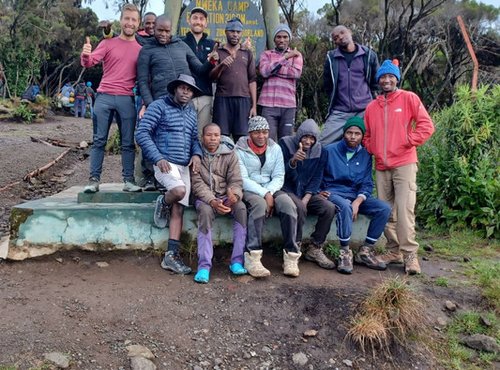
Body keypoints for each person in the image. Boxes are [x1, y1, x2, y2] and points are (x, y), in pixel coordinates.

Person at [364, 60, 435, 275]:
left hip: (404, 162)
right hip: (382, 166)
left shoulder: (408, 98)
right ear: (378, 80)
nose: (386, 80)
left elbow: (426, 126)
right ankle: (394, 251)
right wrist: (373, 147)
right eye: (383, 77)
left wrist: (407, 139)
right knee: (386, 211)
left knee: (404, 210)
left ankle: (411, 255)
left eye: (390, 77)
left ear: (396, 79)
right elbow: (367, 135)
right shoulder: (372, 106)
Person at [135, 74, 203, 275]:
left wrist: (197, 154)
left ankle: (170, 256)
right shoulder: (159, 106)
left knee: (179, 209)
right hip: (165, 163)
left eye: (189, 90)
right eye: (182, 88)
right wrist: (157, 157)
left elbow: (194, 138)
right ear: (175, 89)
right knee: (179, 191)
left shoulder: (191, 112)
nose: (185, 92)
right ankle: (162, 203)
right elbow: (142, 132)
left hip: (184, 165)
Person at [80, 4, 142, 193]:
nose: (129, 23)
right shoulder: (108, 43)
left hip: (127, 99)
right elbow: (90, 63)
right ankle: (93, 180)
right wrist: (86, 53)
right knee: (99, 140)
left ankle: (129, 181)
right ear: (121, 20)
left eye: (133, 20)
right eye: (126, 19)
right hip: (104, 97)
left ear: (138, 24)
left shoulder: (141, 49)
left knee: (128, 143)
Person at [322, 117, 391, 274]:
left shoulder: (365, 155)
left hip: (355, 194)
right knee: (345, 206)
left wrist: (358, 201)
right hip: (333, 191)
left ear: (362, 136)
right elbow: (319, 175)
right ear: (344, 133)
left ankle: (365, 251)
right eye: (349, 133)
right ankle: (345, 252)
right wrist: (319, 191)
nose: (353, 137)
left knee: (384, 208)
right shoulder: (329, 151)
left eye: (357, 133)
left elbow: (367, 183)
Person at [236, 116, 301, 278]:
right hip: (250, 189)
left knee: (288, 205)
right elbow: (243, 179)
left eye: (265, 132)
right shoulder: (239, 150)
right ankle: (253, 256)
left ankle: (291, 256)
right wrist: (264, 194)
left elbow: (279, 175)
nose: (261, 136)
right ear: (250, 133)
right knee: (259, 206)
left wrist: (269, 192)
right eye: (257, 132)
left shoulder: (275, 148)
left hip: (272, 187)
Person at [191, 123, 248, 283]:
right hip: (205, 199)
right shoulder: (196, 155)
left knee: (241, 209)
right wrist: (213, 201)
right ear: (203, 137)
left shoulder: (230, 153)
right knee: (205, 212)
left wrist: (234, 194)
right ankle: (204, 266)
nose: (213, 138)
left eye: (216, 135)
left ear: (220, 136)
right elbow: (197, 184)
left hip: (225, 196)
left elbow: (236, 179)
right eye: (209, 135)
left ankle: (236, 261)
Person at [279, 119, 336, 269]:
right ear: (299, 135)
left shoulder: (321, 151)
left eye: (312, 138)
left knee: (329, 208)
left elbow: (318, 177)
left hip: (307, 192)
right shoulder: (285, 144)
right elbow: (279, 173)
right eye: (305, 137)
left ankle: (315, 247)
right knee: (299, 207)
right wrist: (293, 161)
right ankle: (294, 247)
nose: (308, 141)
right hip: (287, 189)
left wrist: (307, 196)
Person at [319, 25, 379, 145]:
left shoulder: (368, 55)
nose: (340, 37)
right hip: (340, 111)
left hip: (365, 109)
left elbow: (376, 81)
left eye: (342, 33)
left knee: (372, 143)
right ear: (335, 42)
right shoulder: (332, 58)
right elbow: (327, 85)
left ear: (350, 32)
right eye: (336, 37)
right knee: (322, 144)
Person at [210, 18, 257, 143]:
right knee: (222, 138)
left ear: (241, 33)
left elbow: (252, 79)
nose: (235, 34)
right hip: (222, 100)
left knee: (242, 139)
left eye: (238, 31)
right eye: (232, 31)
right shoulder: (218, 52)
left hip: (243, 100)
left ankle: (239, 163)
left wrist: (254, 105)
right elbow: (212, 77)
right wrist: (221, 65)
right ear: (225, 32)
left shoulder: (247, 53)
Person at [258, 24, 303, 141]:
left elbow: (296, 73)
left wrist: (274, 69)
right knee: (268, 140)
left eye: (285, 37)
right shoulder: (266, 54)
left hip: (288, 105)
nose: (281, 40)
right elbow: (264, 72)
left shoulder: (296, 55)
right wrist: (285, 58)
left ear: (289, 39)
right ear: (274, 39)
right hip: (268, 105)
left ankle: (286, 161)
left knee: (287, 141)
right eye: (278, 37)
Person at [181, 7, 218, 133]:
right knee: (182, 133)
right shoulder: (180, 42)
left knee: (202, 135)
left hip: (205, 96)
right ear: (189, 21)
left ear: (206, 23)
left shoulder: (213, 45)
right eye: (195, 18)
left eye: (202, 19)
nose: (198, 21)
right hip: (185, 95)